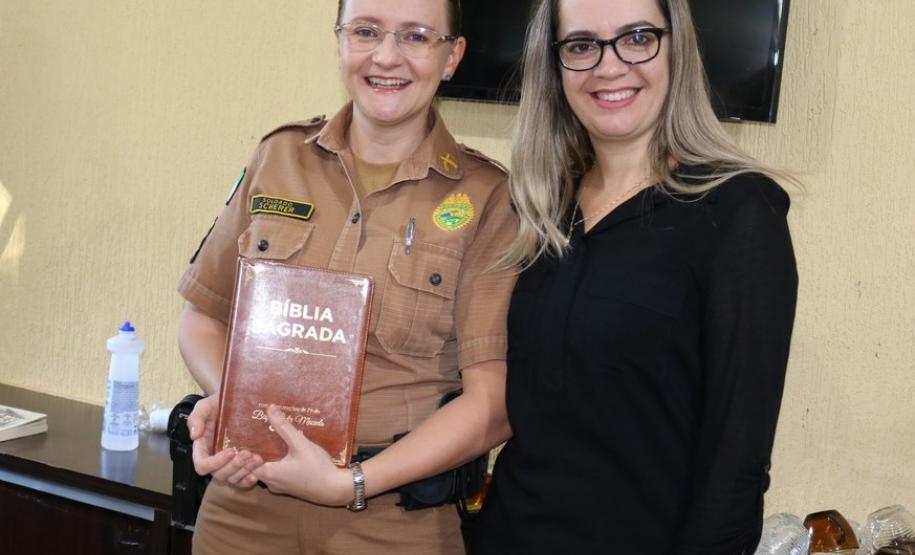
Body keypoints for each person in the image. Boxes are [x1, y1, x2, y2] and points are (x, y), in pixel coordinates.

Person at [176, 0, 516, 553]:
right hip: (244, 507)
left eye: (415, 36)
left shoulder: (487, 198)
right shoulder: (278, 156)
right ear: (338, 42)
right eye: (365, 31)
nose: (386, 56)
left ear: (451, 56)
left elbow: (492, 404)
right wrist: (235, 404)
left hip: (392, 522)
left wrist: (351, 484)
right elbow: (202, 318)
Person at [472, 0, 798, 553]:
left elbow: (736, 469)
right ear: (553, 68)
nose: (609, 65)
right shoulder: (539, 211)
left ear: (677, 49)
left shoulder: (739, 214)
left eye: (638, 37)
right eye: (581, 45)